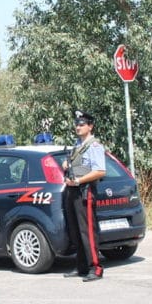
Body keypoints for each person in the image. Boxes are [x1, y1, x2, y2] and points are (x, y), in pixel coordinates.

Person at [62, 110, 106, 282]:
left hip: (85, 191)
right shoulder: (76, 145)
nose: (78, 127)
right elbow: (74, 165)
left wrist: (79, 180)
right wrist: (66, 164)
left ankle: (95, 267)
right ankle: (81, 266)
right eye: (76, 124)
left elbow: (100, 171)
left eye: (82, 124)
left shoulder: (94, 146)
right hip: (72, 190)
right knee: (75, 231)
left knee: (87, 231)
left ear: (90, 126)